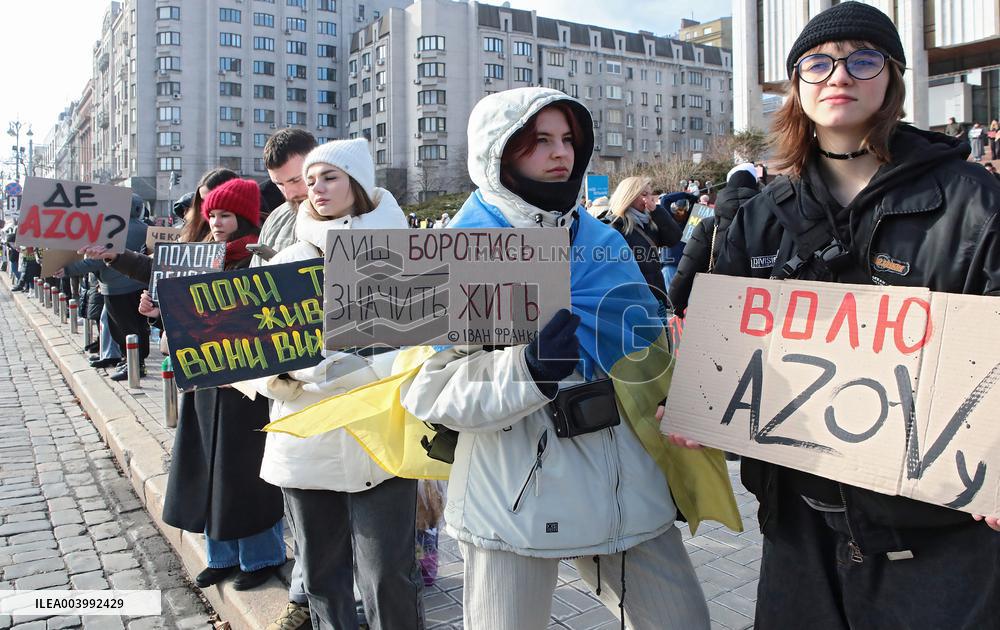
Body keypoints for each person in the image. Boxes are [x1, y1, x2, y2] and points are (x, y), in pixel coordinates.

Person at [691, 4, 1000, 627]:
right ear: (796, 84)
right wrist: (701, 396)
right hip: (797, 527)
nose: (839, 74)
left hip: (936, 536)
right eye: (817, 62)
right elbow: (725, 358)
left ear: (892, 79)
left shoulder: (972, 201)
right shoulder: (757, 216)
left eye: (862, 59)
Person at [402, 87, 739, 630]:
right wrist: (526, 371)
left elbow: (649, 347)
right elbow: (428, 391)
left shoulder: (606, 242)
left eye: (567, 140)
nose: (560, 153)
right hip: (512, 500)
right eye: (538, 141)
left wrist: (686, 393)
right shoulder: (456, 252)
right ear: (497, 152)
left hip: (625, 486)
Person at [251, 139, 424, 630]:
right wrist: (304, 370)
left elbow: (429, 349)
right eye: (309, 181)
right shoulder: (289, 259)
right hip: (307, 437)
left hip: (382, 440)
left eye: (330, 177)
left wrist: (370, 369)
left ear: (359, 183)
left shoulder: (407, 254)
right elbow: (259, 357)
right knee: (324, 578)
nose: (316, 189)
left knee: (389, 574)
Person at [157, 178, 286, 591]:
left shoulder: (257, 256)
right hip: (205, 382)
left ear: (244, 216)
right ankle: (222, 555)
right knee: (207, 468)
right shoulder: (201, 257)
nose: (215, 221)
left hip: (245, 387)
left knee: (246, 475)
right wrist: (155, 311)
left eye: (224, 214)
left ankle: (262, 556)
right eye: (211, 214)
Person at [57, 194, 149, 381]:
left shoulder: (110, 230)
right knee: (139, 328)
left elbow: (94, 262)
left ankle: (132, 363)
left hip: (116, 288)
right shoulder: (146, 228)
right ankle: (135, 361)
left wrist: (67, 269)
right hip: (141, 286)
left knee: (124, 329)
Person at [668, 163, 760, 316]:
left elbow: (686, 271)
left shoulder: (708, 226)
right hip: (763, 305)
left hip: (720, 305)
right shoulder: (774, 222)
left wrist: (675, 305)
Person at [605, 176, 682, 316]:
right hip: (632, 301)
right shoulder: (615, 225)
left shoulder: (649, 222)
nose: (649, 198)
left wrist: (657, 211)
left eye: (650, 194)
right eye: (644, 194)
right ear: (630, 196)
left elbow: (674, 238)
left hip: (656, 296)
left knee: (661, 336)